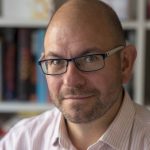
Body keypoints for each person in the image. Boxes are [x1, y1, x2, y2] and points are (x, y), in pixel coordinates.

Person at [0, 0, 150, 149]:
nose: (71, 80)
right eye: (56, 61)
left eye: (89, 59)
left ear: (125, 63)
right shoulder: (20, 141)